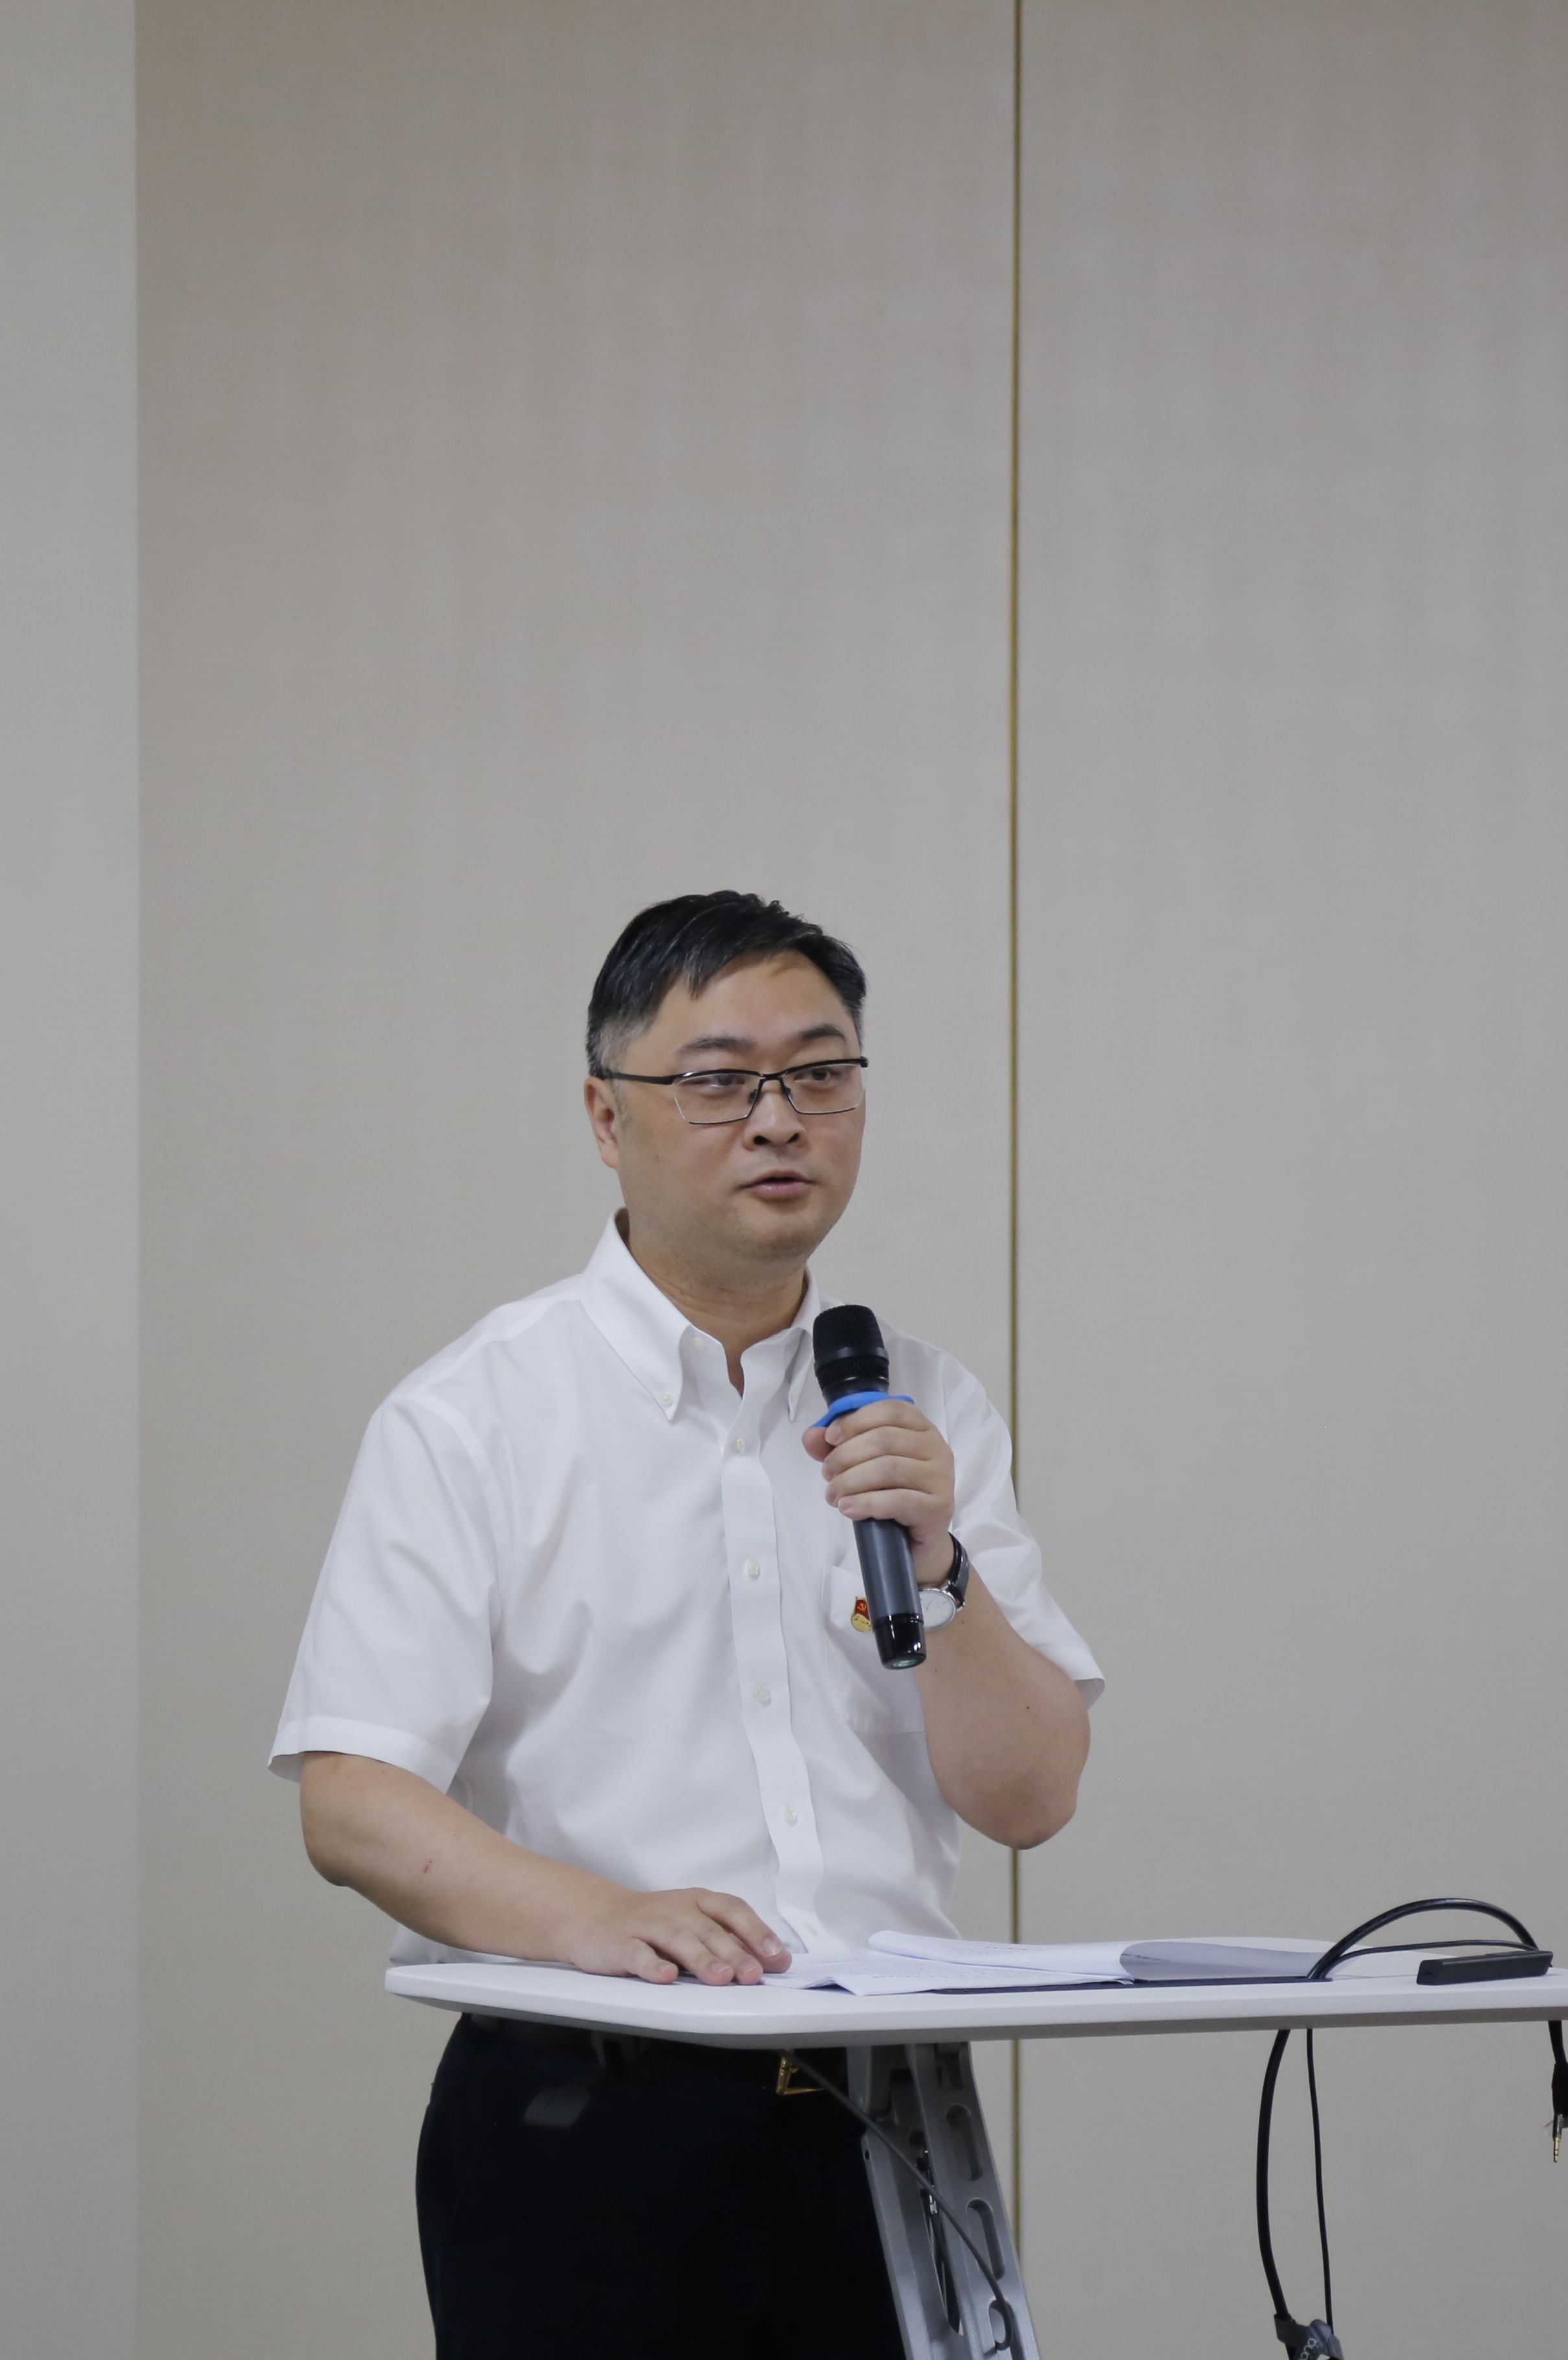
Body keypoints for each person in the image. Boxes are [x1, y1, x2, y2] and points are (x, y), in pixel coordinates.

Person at [272, 890, 1103, 2357]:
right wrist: (595, 1917)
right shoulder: (476, 1415)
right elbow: (350, 1800)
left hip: (891, 2121)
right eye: (721, 1082)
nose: (780, 1121)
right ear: (608, 1115)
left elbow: (1030, 1797)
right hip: (588, 2114)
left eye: (821, 1074)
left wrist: (942, 1563)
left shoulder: (926, 1405)